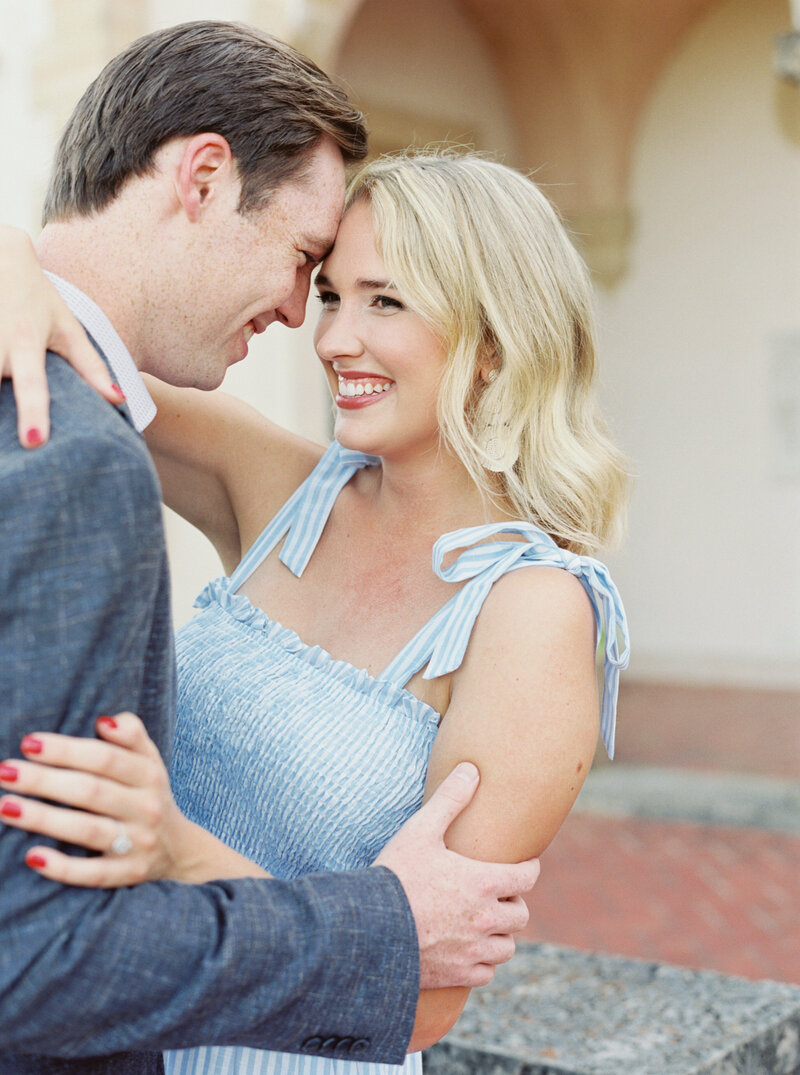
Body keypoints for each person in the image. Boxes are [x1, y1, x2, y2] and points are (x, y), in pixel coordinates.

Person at [0, 145, 630, 1075]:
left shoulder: (533, 614)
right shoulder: (276, 482)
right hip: (119, 1035)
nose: (332, 338)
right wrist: (11, 258)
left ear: (495, 340)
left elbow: (422, 989)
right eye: (330, 293)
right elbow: (83, 331)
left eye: (386, 300)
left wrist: (176, 849)